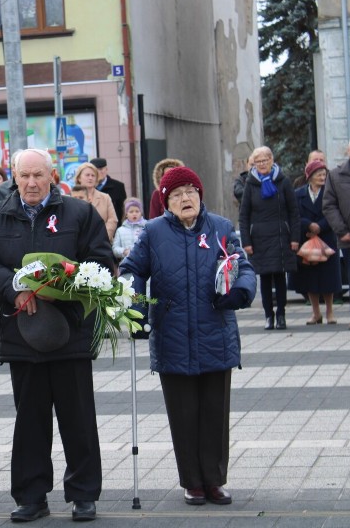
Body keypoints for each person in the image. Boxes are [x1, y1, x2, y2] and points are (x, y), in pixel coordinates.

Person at [0, 148, 113, 523]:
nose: (31, 182)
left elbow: (101, 260)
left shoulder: (79, 213)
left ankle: (83, 494)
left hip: (71, 333)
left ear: (52, 175)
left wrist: (67, 282)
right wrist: (14, 286)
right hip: (22, 332)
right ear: (14, 177)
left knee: (78, 417)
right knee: (30, 419)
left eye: (39, 175)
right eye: (24, 175)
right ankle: (31, 496)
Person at [120, 166, 256, 507]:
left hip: (215, 332)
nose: (185, 198)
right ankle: (192, 482)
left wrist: (240, 291)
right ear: (166, 201)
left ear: (200, 194)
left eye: (190, 192)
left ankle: (214, 480)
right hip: (172, 334)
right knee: (183, 413)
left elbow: (244, 267)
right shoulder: (153, 232)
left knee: (214, 411)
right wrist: (135, 308)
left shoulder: (222, 228)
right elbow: (131, 269)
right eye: (177, 194)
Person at [239, 146, 299, 331]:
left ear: (272, 160)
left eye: (265, 160)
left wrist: (295, 237)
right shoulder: (250, 184)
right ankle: (268, 316)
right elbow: (244, 215)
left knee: (280, 276)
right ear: (253, 164)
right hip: (259, 238)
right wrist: (246, 242)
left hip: (281, 236)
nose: (262, 164)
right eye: (258, 161)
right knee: (264, 279)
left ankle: (281, 315)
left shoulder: (283, 181)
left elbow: (293, 211)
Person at [290, 160, 341, 324]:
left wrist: (320, 226)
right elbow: (294, 214)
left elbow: (334, 211)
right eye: (319, 174)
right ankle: (315, 313)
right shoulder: (299, 193)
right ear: (310, 176)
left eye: (324, 174)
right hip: (307, 239)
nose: (322, 177)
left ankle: (330, 312)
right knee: (310, 278)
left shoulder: (330, 192)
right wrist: (309, 225)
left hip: (326, 238)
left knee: (328, 278)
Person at [322, 138, 350, 330]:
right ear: (349, 152)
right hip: (349, 237)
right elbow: (329, 205)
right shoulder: (336, 175)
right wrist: (342, 231)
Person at [71, 162, 118, 240]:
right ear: (79, 178)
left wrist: (102, 237)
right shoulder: (71, 197)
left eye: (93, 175)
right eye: (87, 175)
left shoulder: (105, 197)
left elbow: (112, 220)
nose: (90, 178)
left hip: (102, 242)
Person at [112, 197, 147, 262]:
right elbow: (115, 249)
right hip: (126, 265)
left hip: (144, 264)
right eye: (131, 212)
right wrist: (124, 251)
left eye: (137, 211)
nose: (134, 214)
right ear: (126, 214)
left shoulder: (147, 228)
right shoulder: (120, 230)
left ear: (141, 213)